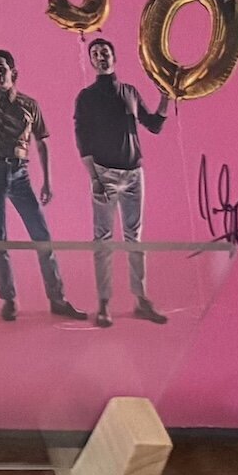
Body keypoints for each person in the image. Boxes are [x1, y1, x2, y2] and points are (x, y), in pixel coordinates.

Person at [0, 31, 86, 321]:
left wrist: (47, 180)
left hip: (20, 174)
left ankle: (57, 297)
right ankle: (8, 298)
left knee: (42, 236)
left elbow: (42, 141)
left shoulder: (29, 104)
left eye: (2, 68)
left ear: (14, 71)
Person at [73, 36, 169, 327]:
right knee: (103, 238)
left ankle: (141, 299)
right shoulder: (86, 97)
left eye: (105, 51)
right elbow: (83, 140)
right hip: (105, 174)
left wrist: (166, 96)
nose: (101, 56)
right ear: (91, 61)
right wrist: (94, 178)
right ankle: (103, 304)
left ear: (114, 56)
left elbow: (153, 125)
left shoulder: (129, 91)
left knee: (133, 237)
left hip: (134, 174)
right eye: (96, 53)